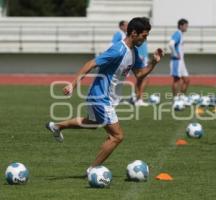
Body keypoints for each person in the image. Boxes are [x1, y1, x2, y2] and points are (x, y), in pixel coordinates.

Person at [45, 17, 163, 173]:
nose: (146, 38)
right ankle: (92, 170)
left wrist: (154, 62)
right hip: (101, 97)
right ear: (134, 33)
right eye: (144, 35)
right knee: (117, 136)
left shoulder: (133, 52)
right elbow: (91, 64)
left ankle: (56, 126)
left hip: (104, 97)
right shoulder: (118, 50)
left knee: (92, 124)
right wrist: (72, 84)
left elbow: (140, 74)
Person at [169, 18, 190, 103]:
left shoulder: (180, 34)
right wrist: (175, 54)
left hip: (181, 61)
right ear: (181, 26)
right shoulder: (177, 33)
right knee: (176, 80)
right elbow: (171, 44)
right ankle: (175, 99)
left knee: (187, 80)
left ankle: (181, 97)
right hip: (176, 61)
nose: (187, 28)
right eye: (186, 26)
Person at [134, 41, 149, 106]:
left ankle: (138, 98)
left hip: (143, 57)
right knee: (143, 78)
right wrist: (140, 55)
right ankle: (139, 99)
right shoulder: (138, 32)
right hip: (141, 57)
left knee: (142, 79)